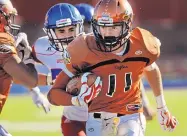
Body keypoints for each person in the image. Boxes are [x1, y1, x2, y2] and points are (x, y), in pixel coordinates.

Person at [48, 0, 178, 136]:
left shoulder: (142, 44)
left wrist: (161, 106)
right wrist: (76, 99)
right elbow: (53, 94)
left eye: (114, 27)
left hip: (131, 113)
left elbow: (151, 69)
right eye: (103, 27)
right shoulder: (83, 49)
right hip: (97, 116)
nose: (107, 33)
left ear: (127, 24)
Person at [32, 3, 87, 136]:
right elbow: (21, 72)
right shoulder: (41, 47)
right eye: (61, 31)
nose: (67, 35)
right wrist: (35, 90)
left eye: (71, 28)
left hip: (107, 113)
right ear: (50, 32)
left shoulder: (92, 44)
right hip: (75, 118)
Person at [0, 0, 40, 135]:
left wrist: (51, 81)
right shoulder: (3, 40)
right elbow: (30, 80)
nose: (11, 21)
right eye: (9, 16)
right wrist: (27, 56)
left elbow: (11, 75)